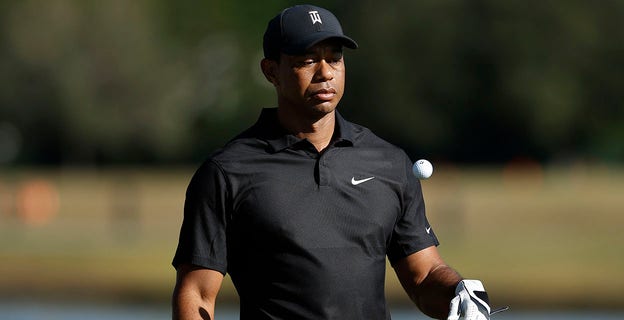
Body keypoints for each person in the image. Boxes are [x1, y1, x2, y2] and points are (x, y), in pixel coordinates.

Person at [172, 4, 494, 320]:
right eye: (308, 60)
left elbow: (424, 276)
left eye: (334, 59)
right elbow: (197, 293)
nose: (325, 72)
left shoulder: (388, 162)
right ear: (272, 71)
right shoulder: (227, 172)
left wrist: (458, 292)